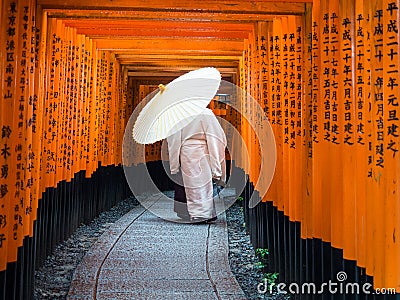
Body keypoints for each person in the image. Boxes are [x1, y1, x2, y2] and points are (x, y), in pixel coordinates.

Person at [167, 108, 227, 223]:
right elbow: (216, 136)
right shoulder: (206, 113)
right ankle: (201, 213)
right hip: (203, 150)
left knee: (190, 183)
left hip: (185, 151)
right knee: (203, 183)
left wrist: (174, 163)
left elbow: (173, 139)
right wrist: (216, 166)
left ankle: (194, 212)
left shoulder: (178, 114)